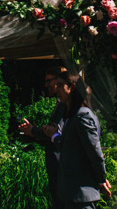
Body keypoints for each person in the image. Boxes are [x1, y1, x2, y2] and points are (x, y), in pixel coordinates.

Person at [43, 75, 111, 209]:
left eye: (61, 85)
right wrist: (54, 135)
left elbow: (94, 152)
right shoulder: (72, 116)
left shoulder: (82, 115)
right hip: (72, 194)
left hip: (81, 193)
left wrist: (101, 179)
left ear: (72, 88)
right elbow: (70, 147)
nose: (56, 89)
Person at [18, 65, 69, 209]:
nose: (46, 85)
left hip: (61, 165)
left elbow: (57, 133)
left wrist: (33, 131)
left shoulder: (66, 105)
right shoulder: (60, 104)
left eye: (49, 81)